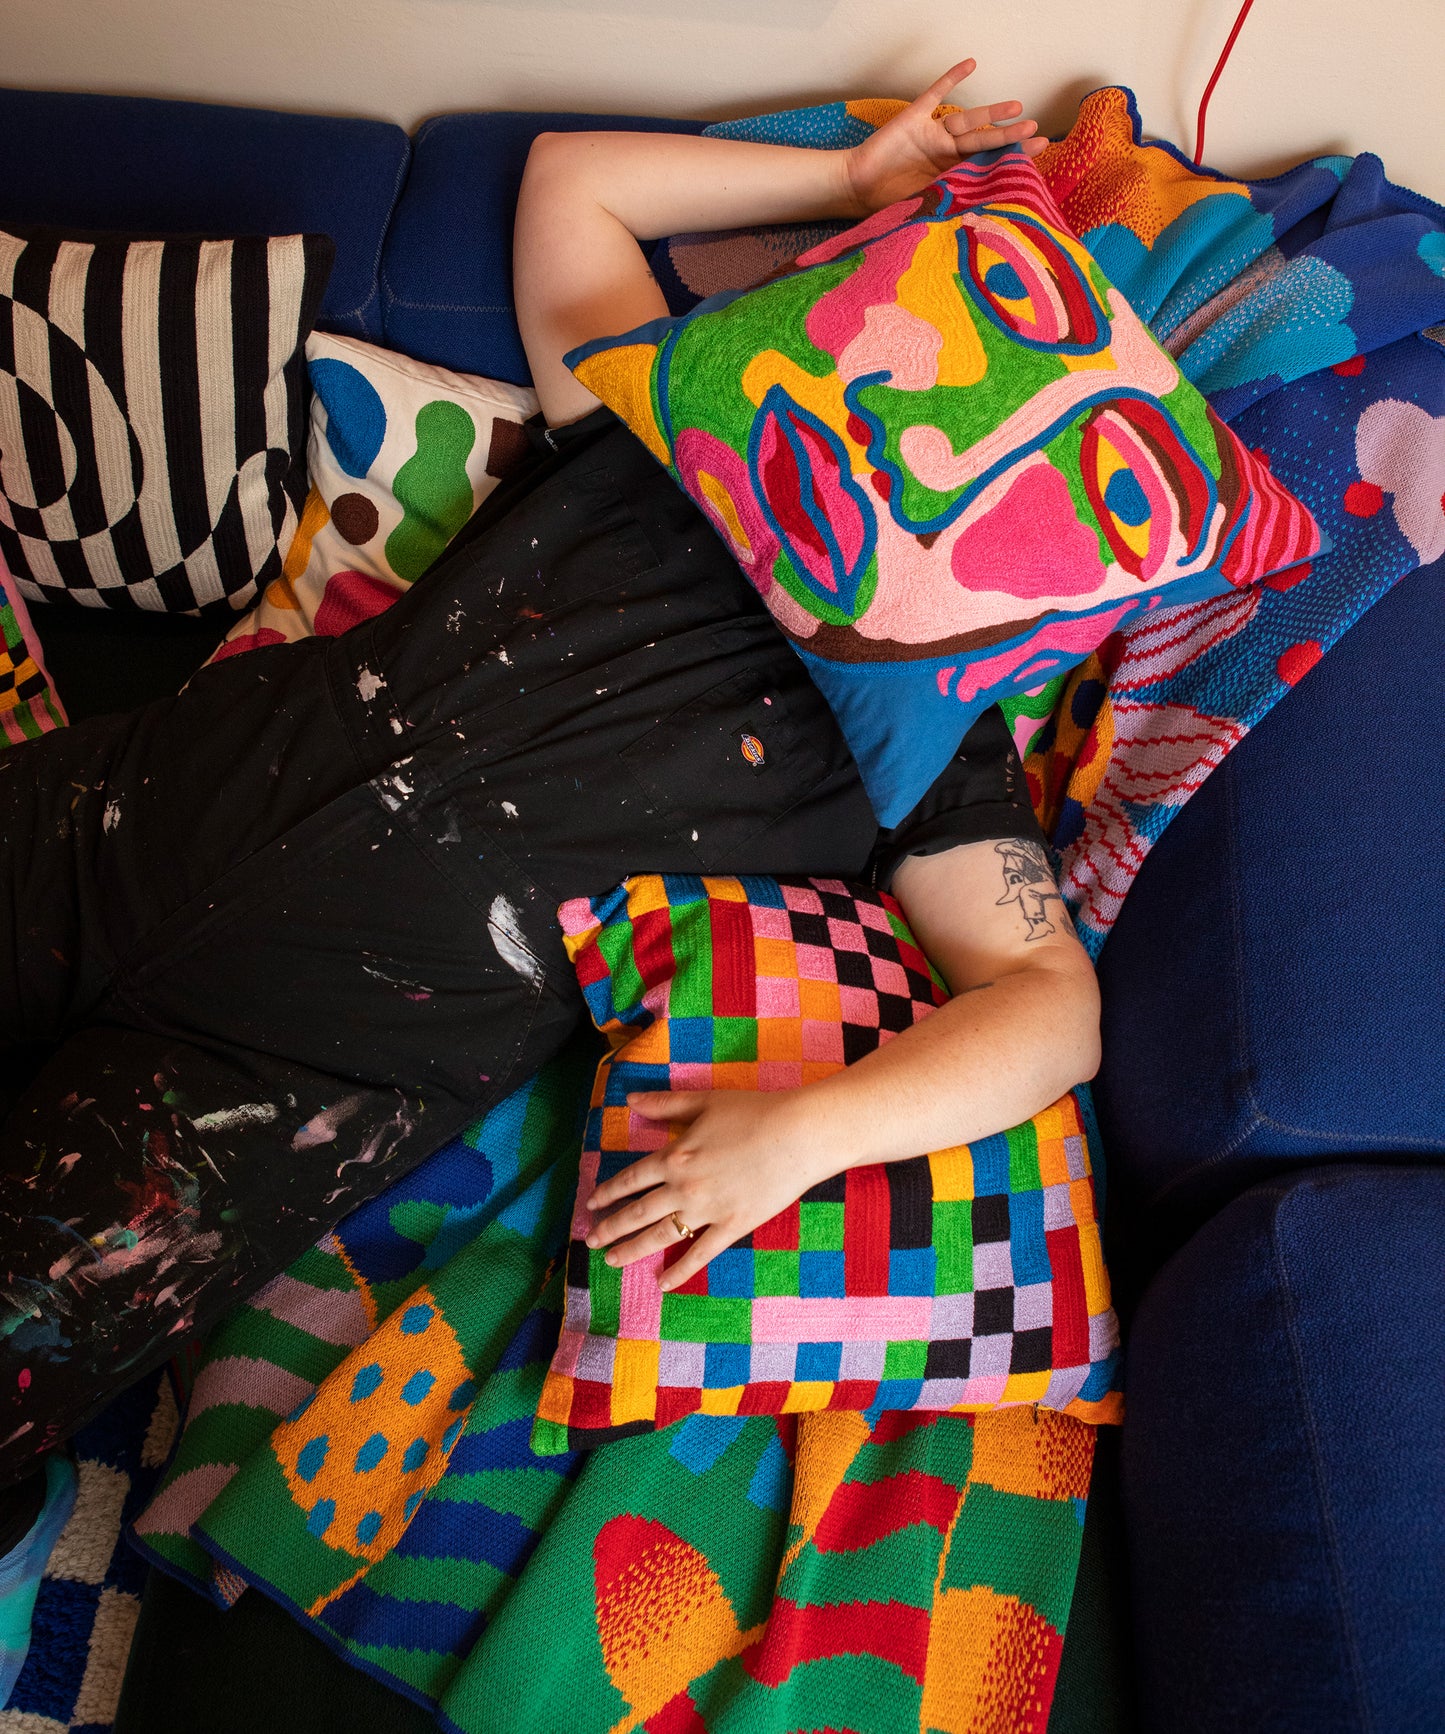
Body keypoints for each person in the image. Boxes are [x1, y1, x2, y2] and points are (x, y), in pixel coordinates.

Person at [0, 58, 1097, 1696]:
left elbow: (1049, 1007)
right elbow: (568, 186)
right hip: (120, 819)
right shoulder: (663, 442)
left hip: (276, 1075)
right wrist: (859, 177)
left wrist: (800, 1131)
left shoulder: (928, 736)